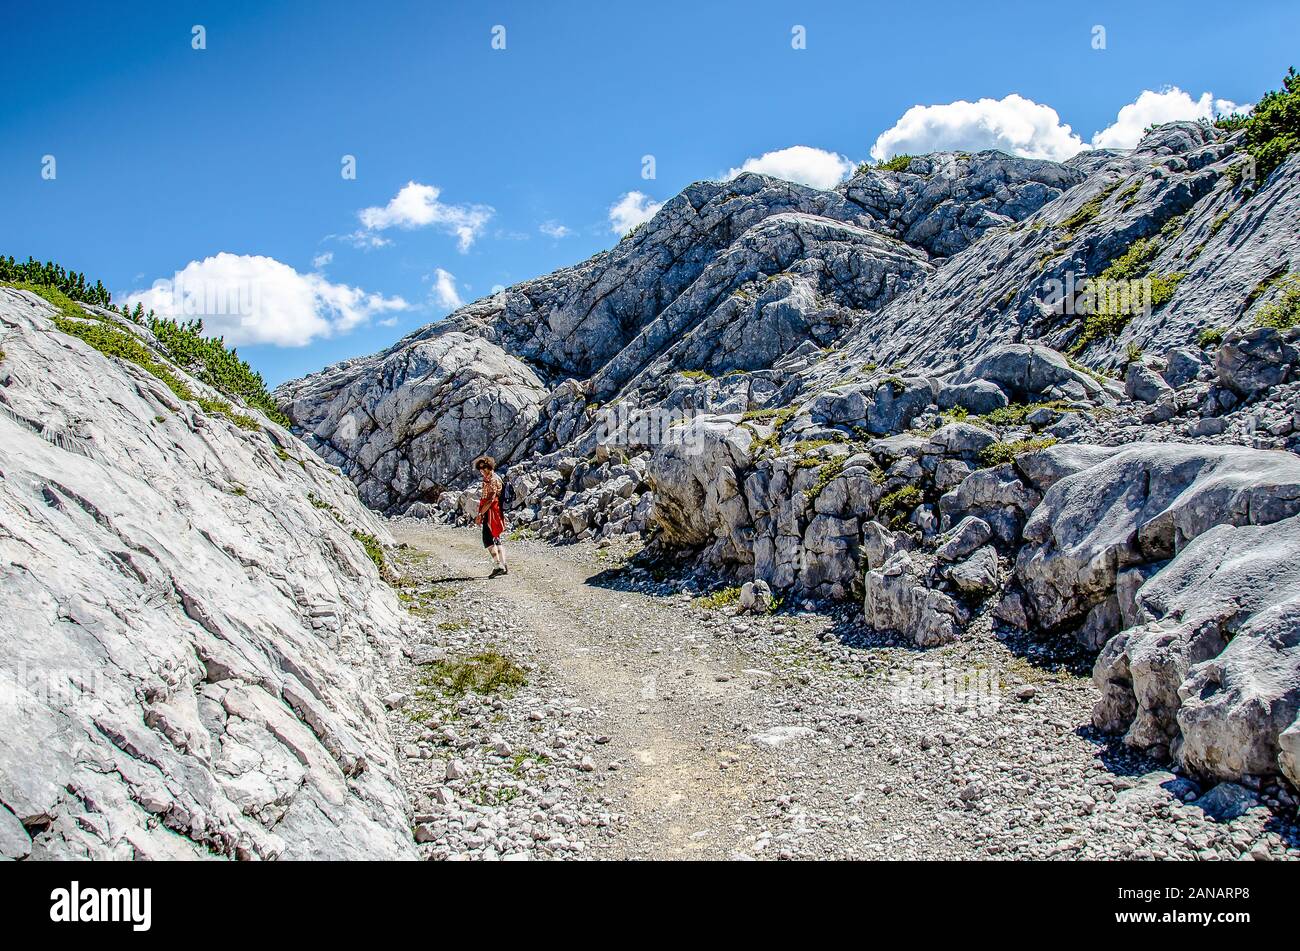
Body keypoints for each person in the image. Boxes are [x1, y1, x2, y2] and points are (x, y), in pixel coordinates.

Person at [474, 456, 509, 577]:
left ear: (489, 467)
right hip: (495, 512)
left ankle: (497, 564)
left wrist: (480, 514)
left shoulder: (492, 480)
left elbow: (490, 500)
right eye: (480, 468)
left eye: (483, 468)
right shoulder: (490, 479)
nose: (481, 470)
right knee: (496, 538)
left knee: (487, 539)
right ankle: (504, 565)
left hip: (491, 513)